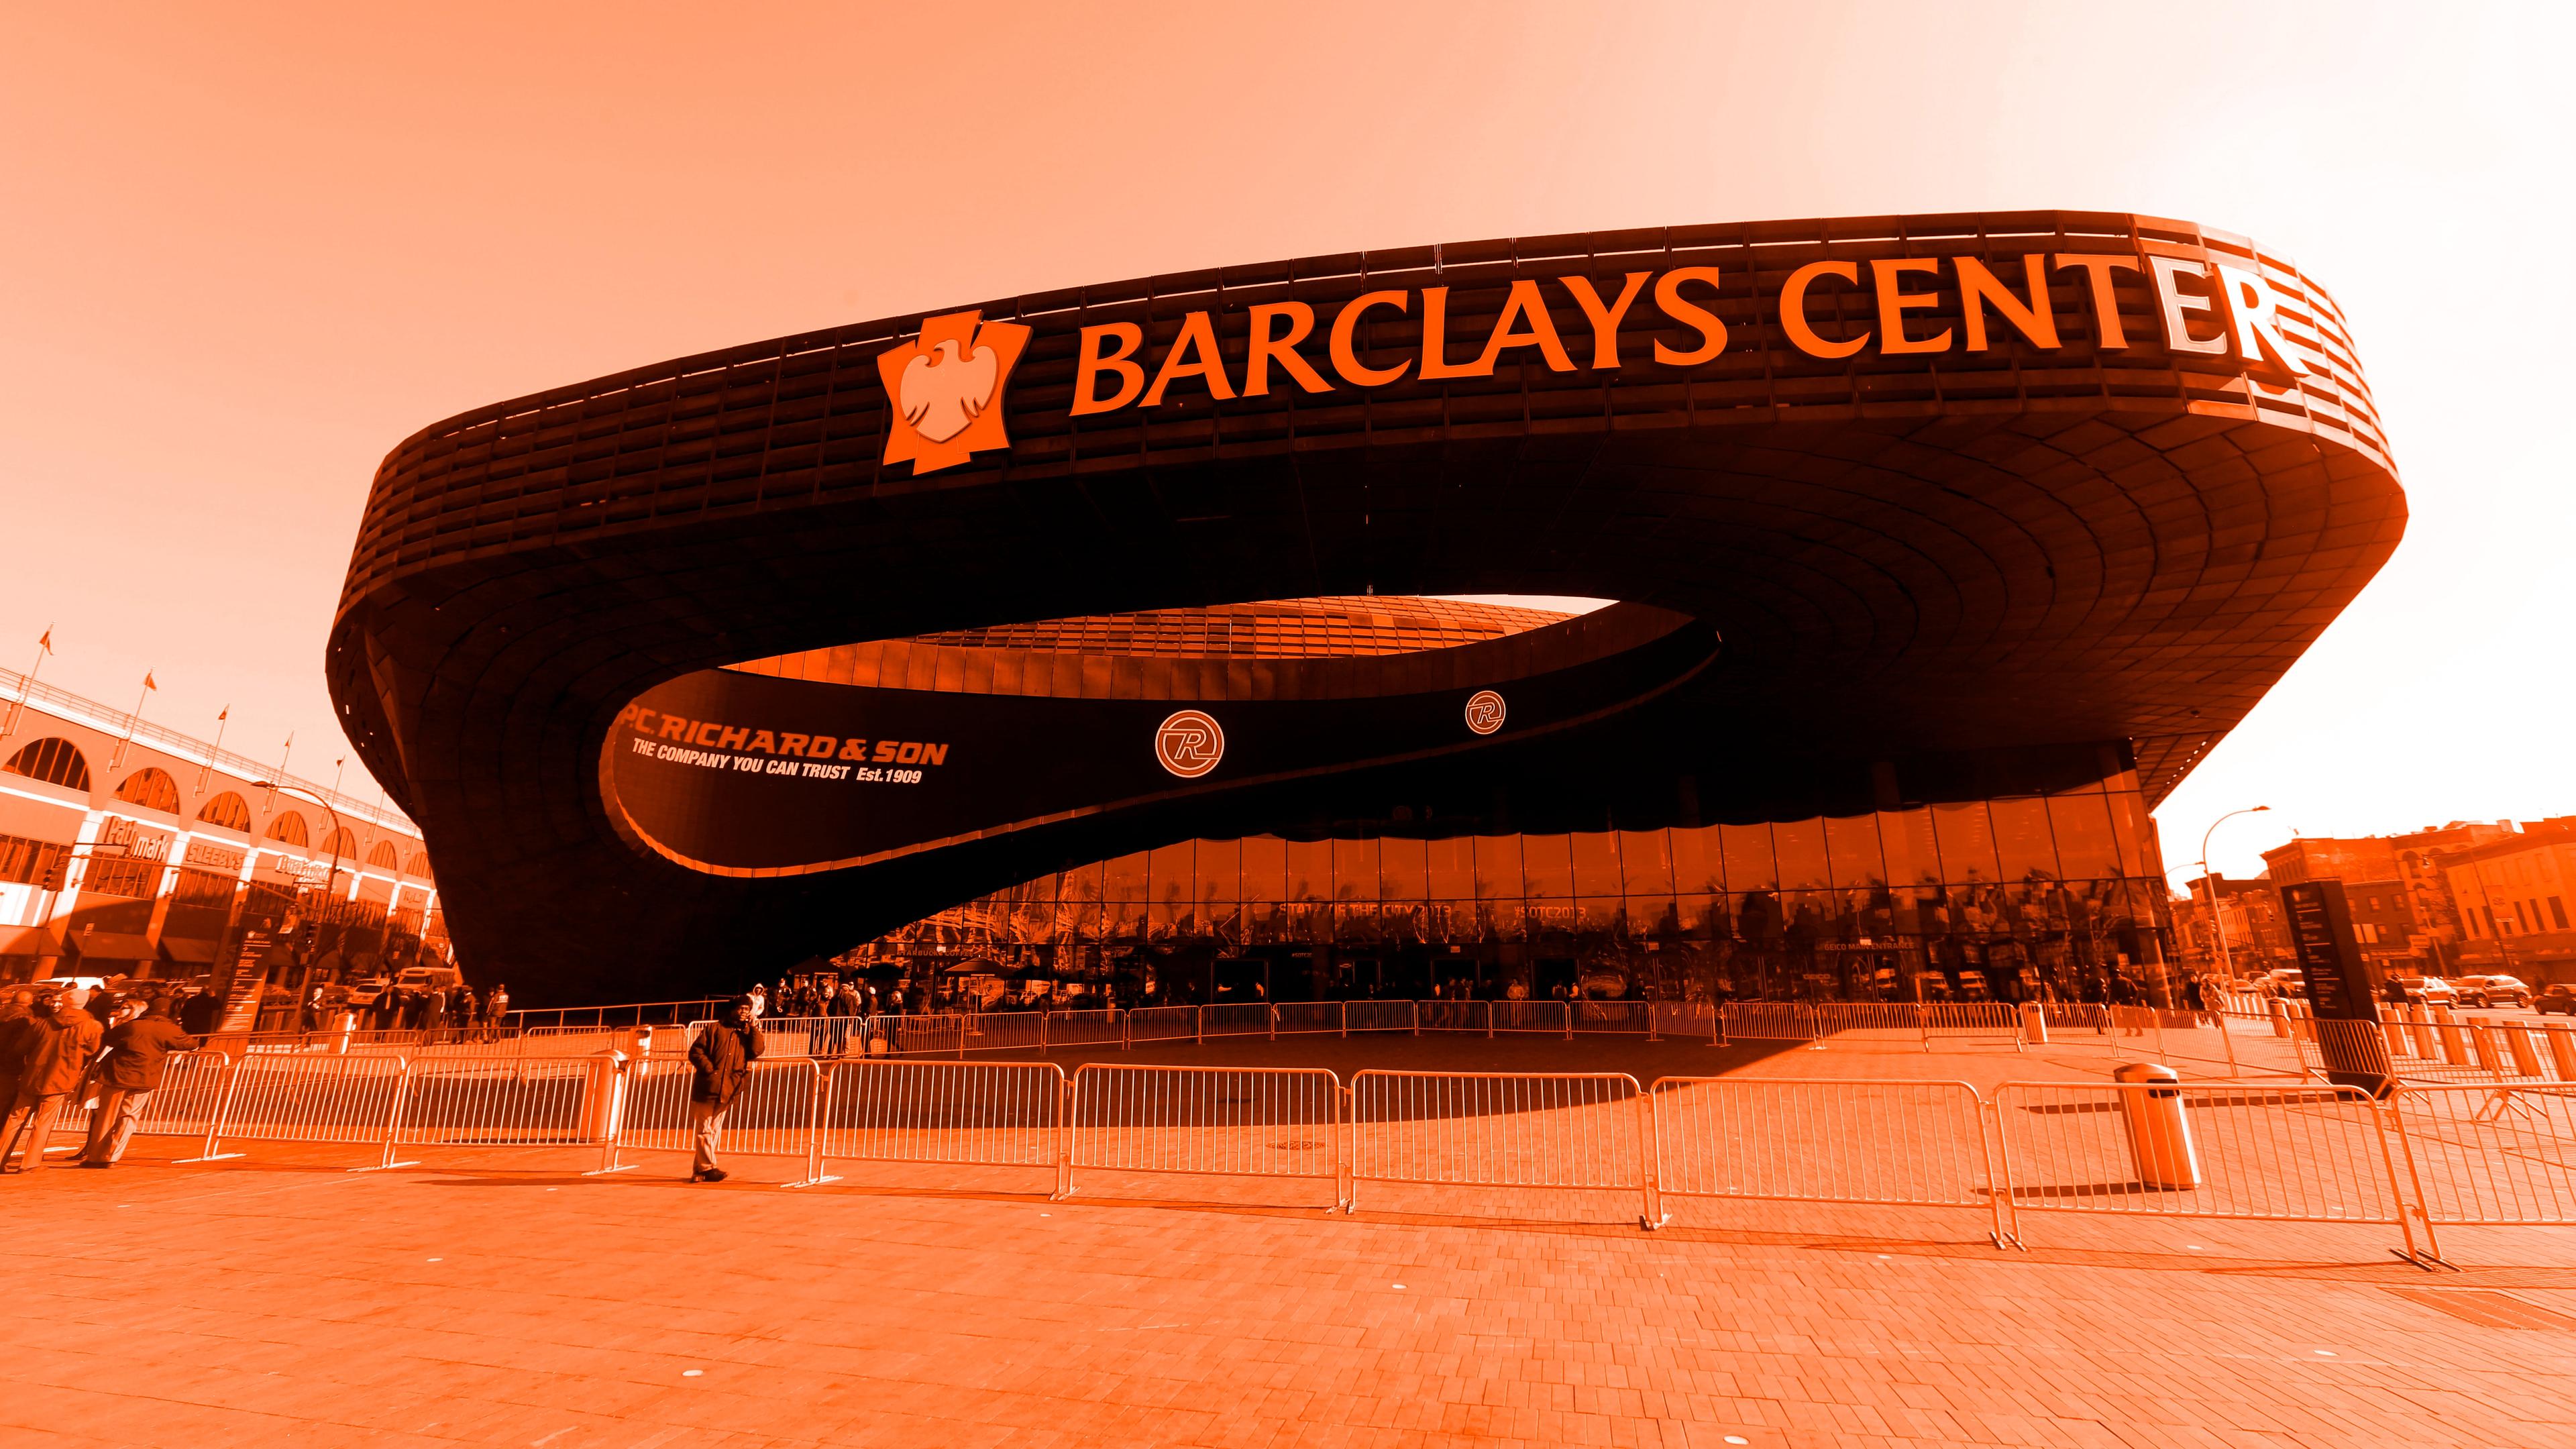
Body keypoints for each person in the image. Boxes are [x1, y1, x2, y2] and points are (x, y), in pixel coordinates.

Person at [76, 996, 201, 1167]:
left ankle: (95, 1157)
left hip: (117, 1075)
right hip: (146, 1078)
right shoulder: (169, 1029)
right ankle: (111, 1156)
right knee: (129, 1117)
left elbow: (108, 1039)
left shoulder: (132, 1025)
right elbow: (191, 1044)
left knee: (107, 1117)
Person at [0, 990, 103, 1173]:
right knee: (44, 1121)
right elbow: (92, 1050)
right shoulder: (92, 1026)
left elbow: (21, 1048)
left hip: (33, 1075)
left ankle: (1, 1157)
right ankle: (30, 1163)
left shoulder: (43, 1024)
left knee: (15, 1118)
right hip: (62, 1077)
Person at [686, 997, 765, 1183]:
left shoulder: (745, 1033)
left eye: (747, 1009)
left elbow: (756, 1050)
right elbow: (696, 1051)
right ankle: (708, 1167)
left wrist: (753, 1029)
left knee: (713, 1130)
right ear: (732, 1010)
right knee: (704, 1128)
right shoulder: (714, 1029)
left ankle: (699, 1171)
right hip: (708, 1086)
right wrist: (709, 1069)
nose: (744, 1012)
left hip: (730, 1086)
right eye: (741, 1008)